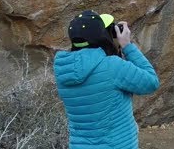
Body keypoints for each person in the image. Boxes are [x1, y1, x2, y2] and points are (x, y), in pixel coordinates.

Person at [54, 10, 160, 149]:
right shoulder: (112, 66)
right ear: (101, 35)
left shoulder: (63, 71)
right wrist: (127, 46)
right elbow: (151, 82)